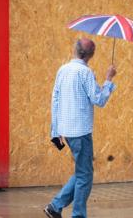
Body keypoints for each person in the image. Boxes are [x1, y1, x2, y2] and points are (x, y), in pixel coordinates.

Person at [44, 38, 117, 218]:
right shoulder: (85, 73)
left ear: (75, 50)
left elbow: (55, 99)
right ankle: (76, 215)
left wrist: (55, 131)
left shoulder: (62, 70)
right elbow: (99, 100)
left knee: (82, 171)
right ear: (91, 55)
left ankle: (55, 206)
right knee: (85, 176)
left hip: (66, 130)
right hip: (81, 132)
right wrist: (108, 79)